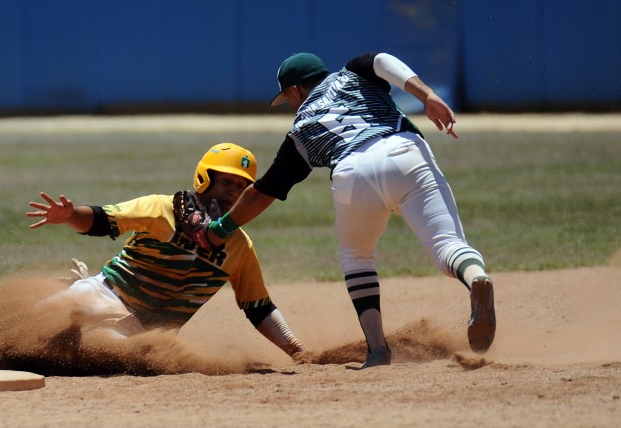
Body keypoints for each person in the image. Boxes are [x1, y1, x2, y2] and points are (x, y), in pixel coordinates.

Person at [0, 143, 304, 379]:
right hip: (101, 295)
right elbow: (102, 220)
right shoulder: (162, 208)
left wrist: (297, 350)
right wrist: (70, 215)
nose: (234, 192)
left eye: (242, 188)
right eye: (227, 182)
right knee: (11, 332)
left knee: (79, 357)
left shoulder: (240, 247)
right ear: (205, 179)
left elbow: (258, 308)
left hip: (139, 330)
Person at [196, 52, 496, 367]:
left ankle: (378, 350)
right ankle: (475, 278)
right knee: (447, 244)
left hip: (352, 173)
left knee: (357, 257)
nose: (291, 105)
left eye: (288, 98)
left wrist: (219, 229)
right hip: (404, 151)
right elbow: (382, 60)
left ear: (296, 90)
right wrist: (428, 96)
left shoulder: (301, 130)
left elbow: (262, 192)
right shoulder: (355, 72)